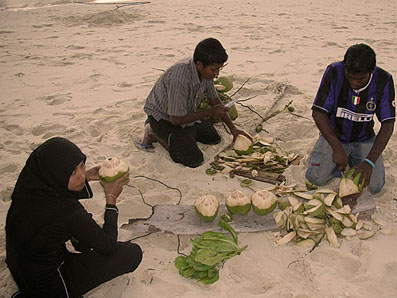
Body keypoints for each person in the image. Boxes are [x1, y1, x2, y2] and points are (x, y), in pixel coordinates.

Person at [5, 137, 142, 298]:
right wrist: (111, 199)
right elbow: (108, 246)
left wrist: (88, 177)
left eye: (82, 166)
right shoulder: (66, 210)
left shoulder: (31, 185)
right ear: (56, 175)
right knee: (132, 253)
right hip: (50, 283)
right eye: (73, 172)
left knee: (81, 238)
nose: (81, 175)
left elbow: (58, 195)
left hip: (21, 269)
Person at [140, 37, 249, 168]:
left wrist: (233, 129)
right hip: (163, 118)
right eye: (214, 70)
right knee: (193, 159)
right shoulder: (179, 79)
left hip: (184, 113)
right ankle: (153, 132)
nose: (217, 74)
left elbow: (216, 102)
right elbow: (176, 119)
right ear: (199, 65)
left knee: (214, 138)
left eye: (220, 69)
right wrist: (209, 112)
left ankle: (183, 136)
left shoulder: (205, 73)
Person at [305, 44, 396, 194]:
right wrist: (336, 147)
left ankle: (354, 160)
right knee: (315, 178)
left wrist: (369, 162)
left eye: (360, 79)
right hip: (335, 135)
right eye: (350, 78)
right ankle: (342, 159)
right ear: (344, 67)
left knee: (375, 186)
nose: (354, 83)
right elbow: (318, 112)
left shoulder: (383, 80)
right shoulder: (334, 72)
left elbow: (388, 124)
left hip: (364, 138)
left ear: (371, 71)